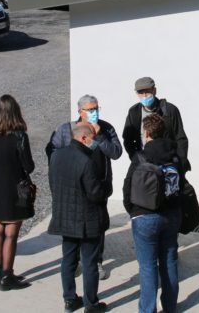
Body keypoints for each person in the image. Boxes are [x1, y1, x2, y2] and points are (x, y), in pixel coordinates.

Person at [47, 94, 123, 280]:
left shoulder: (105, 128)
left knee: (97, 227)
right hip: (73, 187)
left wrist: (100, 136)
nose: (94, 112)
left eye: (96, 108)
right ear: (79, 111)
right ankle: (73, 265)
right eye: (90, 109)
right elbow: (52, 151)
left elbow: (116, 153)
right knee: (72, 230)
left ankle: (96, 261)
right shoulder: (66, 129)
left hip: (98, 186)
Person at [123, 113, 182, 313]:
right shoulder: (175, 156)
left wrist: (133, 211)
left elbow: (127, 187)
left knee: (148, 267)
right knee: (169, 262)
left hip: (144, 216)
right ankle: (170, 307)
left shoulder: (140, 157)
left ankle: (147, 309)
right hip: (171, 215)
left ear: (146, 133)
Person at [49, 122, 109, 313]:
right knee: (90, 262)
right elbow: (95, 193)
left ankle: (69, 299)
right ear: (83, 138)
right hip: (87, 220)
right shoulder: (86, 160)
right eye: (92, 138)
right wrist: (106, 188)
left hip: (65, 217)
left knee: (68, 260)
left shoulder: (56, 155)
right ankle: (91, 304)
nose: (94, 142)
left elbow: (53, 184)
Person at [0, 94, 34, 291]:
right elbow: (28, 166)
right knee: (11, 233)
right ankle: (7, 275)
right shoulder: (19, 136)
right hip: (13, 188)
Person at [123, 76, 190, 172]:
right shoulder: (134, 112)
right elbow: (128, 139)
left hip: (168, 164)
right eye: (141, 93)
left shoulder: (169, 110)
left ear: (154, 91)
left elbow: (181, 138)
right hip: (145, 165)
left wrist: (180, 163)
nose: (145, 96)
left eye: (148, 91)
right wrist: (136, 158)